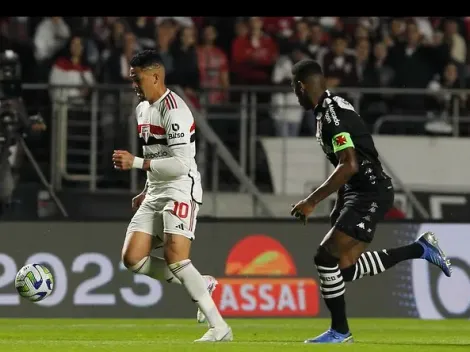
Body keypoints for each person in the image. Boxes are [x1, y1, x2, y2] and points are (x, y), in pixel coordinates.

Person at [289, 59, 452, 344]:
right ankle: (421, 248)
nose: (295, 94)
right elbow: (350, 161)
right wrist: (340, 203)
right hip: (358, 191)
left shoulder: (330, 116)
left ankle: (340, 332)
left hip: (369, 192)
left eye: (294, 88)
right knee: (344, 268)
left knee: (324, 257)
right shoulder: (331, 108)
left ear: (301, 87)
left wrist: (311, 201)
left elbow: (349, 164)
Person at [112, 49, 232, 343]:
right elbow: (157, 153)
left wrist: (136, 164)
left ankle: (219, 328)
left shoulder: (175, 110)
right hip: (156, 189)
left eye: (137, 79)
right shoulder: (142, 109)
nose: (134, 85)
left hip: (180, 188)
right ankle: (202, 283)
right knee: (132, 258)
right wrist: (145, 189)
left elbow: (180, 163)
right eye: (131, 80)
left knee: (176, 257)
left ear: (155, 76)